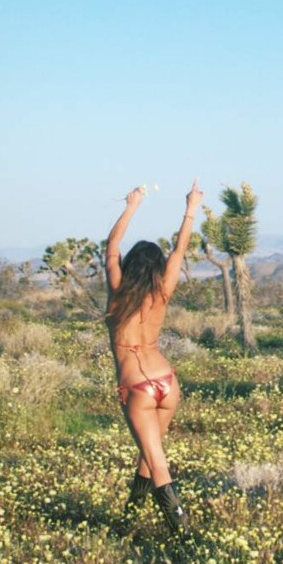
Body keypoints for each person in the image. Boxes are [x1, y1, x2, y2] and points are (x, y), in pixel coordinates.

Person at [106, 178, 202, 532]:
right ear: (157, 267)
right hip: (166, 382)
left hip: (136, 387)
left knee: (158, 463)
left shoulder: (118, 291)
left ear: (130, 265)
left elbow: (113, 245)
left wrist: (131, 205)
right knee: (150, 456)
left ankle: (185, 535)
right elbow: (179, 251)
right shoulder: (162, 291)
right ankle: (129, 519)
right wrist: (191, 209)